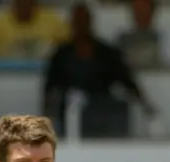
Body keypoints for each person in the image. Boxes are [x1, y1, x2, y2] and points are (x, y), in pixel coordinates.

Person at [44, 2, 155, 138]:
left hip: (101, 107)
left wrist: (145, 104)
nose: (81, 24)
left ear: (91, 22)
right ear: (72, 23)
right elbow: (49, 88)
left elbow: (127, 81)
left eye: (84, 20)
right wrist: (45, 116)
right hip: (70, 108)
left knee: (119, 109)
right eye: (78, 20)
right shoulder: (61, 54)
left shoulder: (107, 53)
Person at [0, 0, 68, 59]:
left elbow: (69, 51)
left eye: (28, 3)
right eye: (20, 3)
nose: (24, 5)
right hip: (7, 76)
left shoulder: (54, 23)